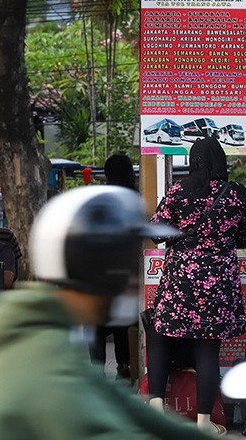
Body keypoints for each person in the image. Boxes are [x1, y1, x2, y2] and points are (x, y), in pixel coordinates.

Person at [0, 186, 213, 440]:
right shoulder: (51, 373)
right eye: (126, 263)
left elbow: (127, 407)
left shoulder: (46, 335)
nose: (134, 279)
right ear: (100, 268)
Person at [148, 137, 246, 436]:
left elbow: (155, 232)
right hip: (218, 282)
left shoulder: (179, 191)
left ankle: (156, 409)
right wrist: (221, 241)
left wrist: (180, 236)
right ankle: (203, 423)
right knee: (208, 349)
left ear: (194, 160)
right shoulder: (236, 194)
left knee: (161, 335)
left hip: (181, 278)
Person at [91, 152, 137, 379]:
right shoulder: (138, 197)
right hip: (129, 267)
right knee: (124, 319)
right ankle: (125, 365)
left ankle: (97, 370)